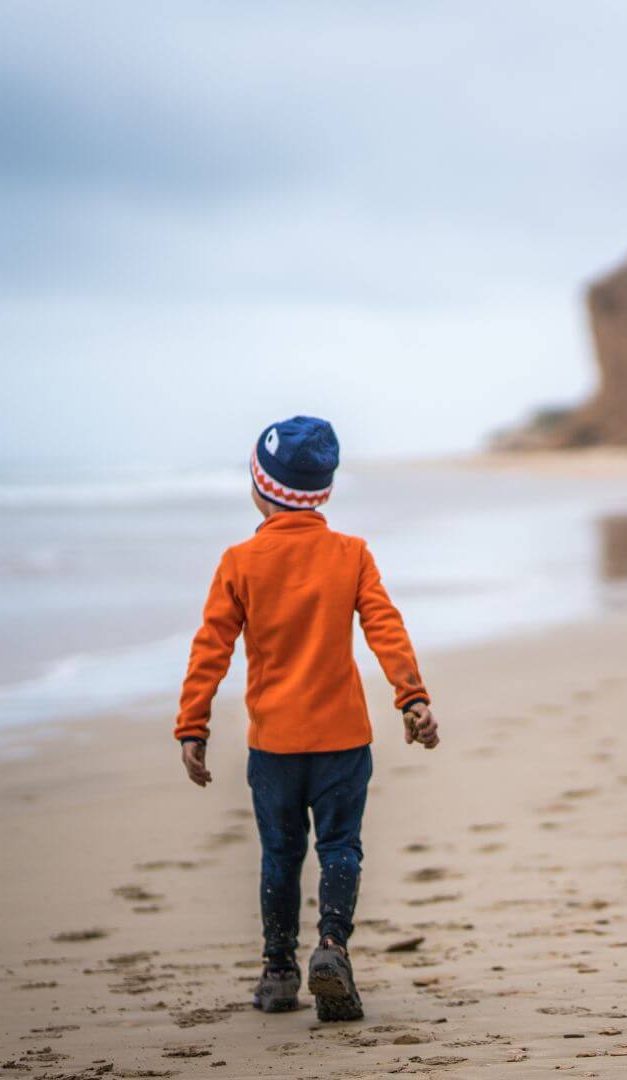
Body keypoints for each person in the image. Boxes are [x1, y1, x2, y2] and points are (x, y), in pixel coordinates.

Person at [174, 415, 440, 1023]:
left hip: (274, 744)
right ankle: (331, 949)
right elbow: (385, 629)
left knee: (280, 853)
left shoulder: (240, 561)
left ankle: (277, 970)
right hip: (344, 738)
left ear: (259, 486)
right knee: (341, 845)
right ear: (324, 489)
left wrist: (193, 725)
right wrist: (411, 698)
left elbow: (209, 648)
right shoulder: (351, 554)